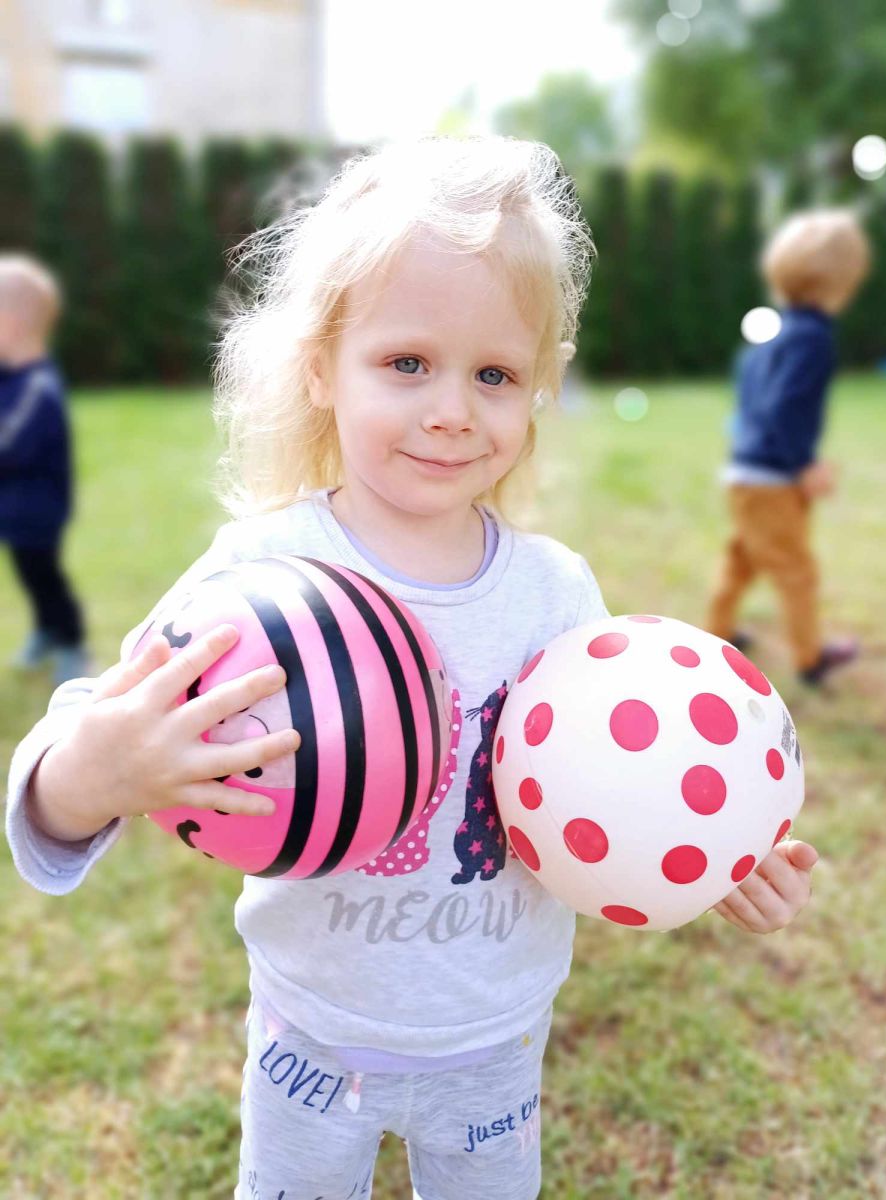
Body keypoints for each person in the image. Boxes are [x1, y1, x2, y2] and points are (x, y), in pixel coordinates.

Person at [6, 138, 819, 1200]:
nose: (451, 410)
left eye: (495, 375)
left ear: (537, 392)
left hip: (495, 1039)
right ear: (320, 367)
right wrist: (89, 776)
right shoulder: (263, 575)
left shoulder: (554, 592)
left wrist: (716, 853)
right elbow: (82, 736)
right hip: (310, 1037)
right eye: (406, 364)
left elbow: (623, 781)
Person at [706, 209, 871, 687]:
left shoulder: (771, 334)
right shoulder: (813, 338)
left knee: (742, 559)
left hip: (744, 473)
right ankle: (809, 658)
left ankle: (717, 632)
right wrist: (804, 465)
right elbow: (785, 409)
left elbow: (750, 398)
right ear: (841, 285)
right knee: (796, 571)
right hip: (774, 479)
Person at [0, 254, 90, 687]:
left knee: (44, 575)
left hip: (37, 510)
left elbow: (9, 445)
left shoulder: (38, 387)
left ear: (9, 324)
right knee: (28, 574)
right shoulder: (10, 379)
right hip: (13, 507)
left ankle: (71, 642)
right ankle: (44, 631)